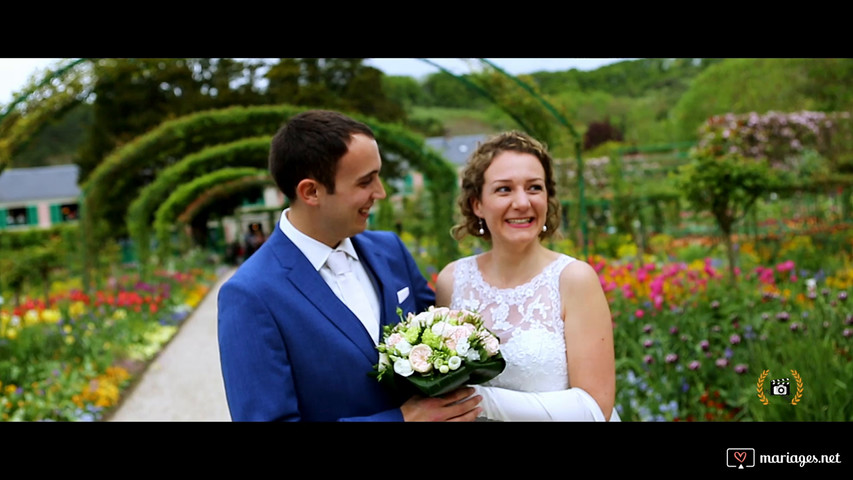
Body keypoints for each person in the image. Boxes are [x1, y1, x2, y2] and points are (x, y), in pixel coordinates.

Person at [217, 109, 482, 421]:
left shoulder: (390, 250)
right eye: (365, 182)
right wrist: (400, 420)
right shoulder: (251, 294)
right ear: (311, 191)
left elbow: (442, 338)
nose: (381, 193)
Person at [435, 130, 620, 421]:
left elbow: (595, 408)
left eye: (534, 187)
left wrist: (480, 400)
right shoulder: (452, 281)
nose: (522, 203)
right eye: (504, 189)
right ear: (477, 204)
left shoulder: (574, 280)